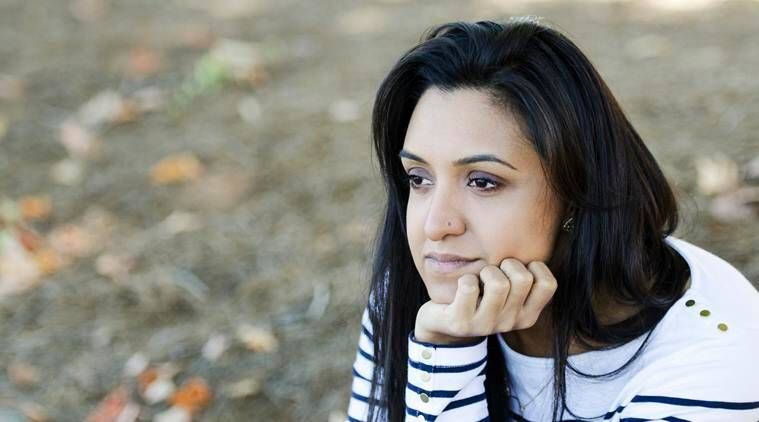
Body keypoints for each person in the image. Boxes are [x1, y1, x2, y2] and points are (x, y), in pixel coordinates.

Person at [345, 18, 759, 422]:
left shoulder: (708, 366)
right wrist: (447, 345)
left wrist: (446, 356)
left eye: (484, 182)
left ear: (578, 191)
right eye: (419, 178)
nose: (435, 226)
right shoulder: (417, 291)